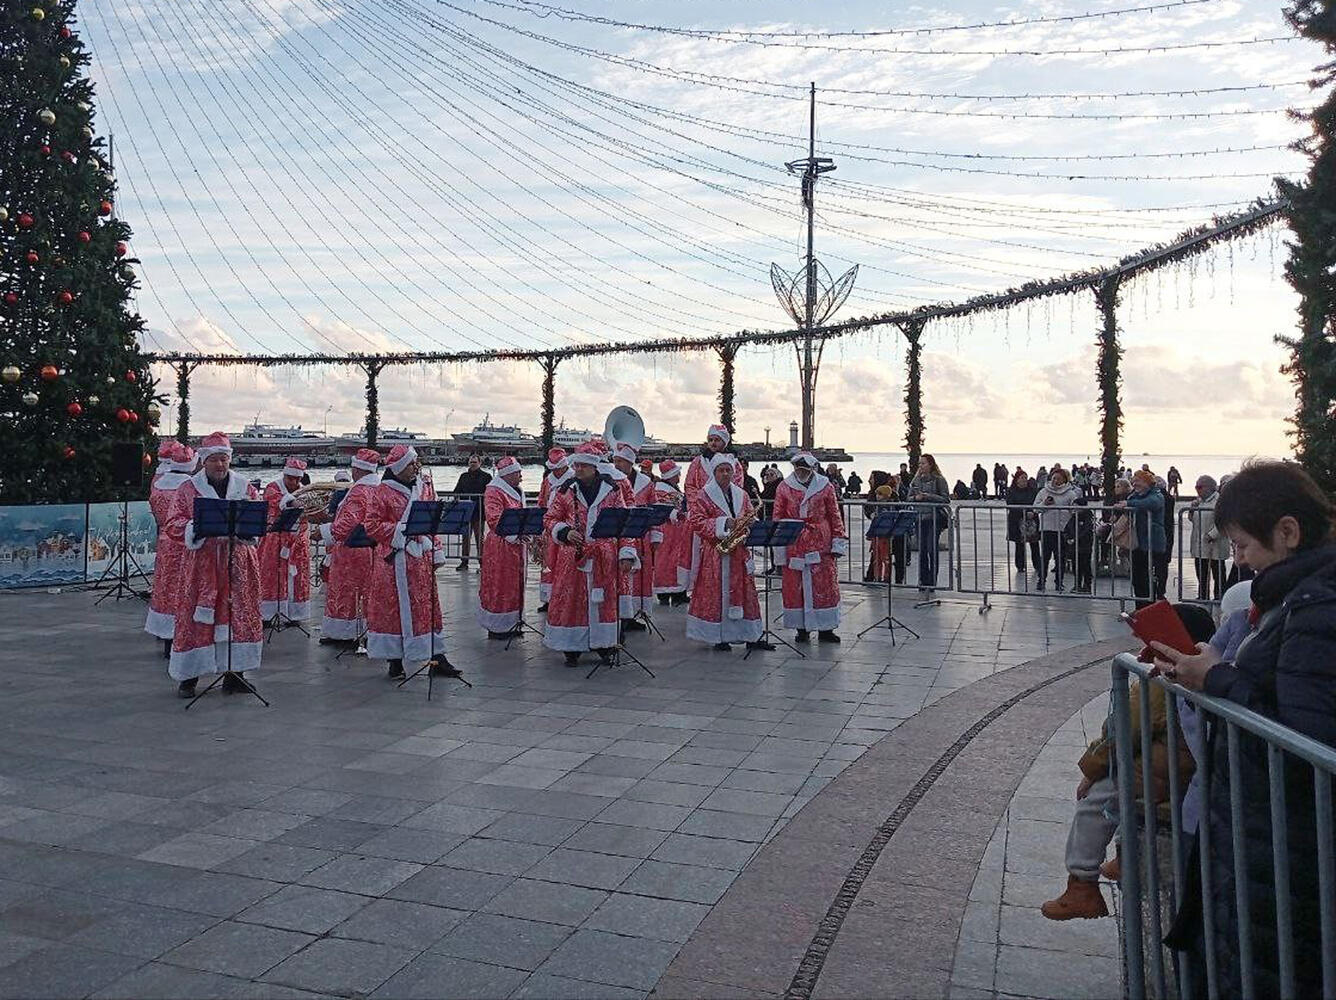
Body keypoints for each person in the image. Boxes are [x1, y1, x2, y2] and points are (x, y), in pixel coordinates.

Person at [1149, 462, 1336, 999]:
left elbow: (1304, 743)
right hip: (1262, 840)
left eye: (1243, 545)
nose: (1240, 561)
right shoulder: (1294, 599)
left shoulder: (1316, 610)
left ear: (1288, 532)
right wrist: (1212, 669)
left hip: (1286, 851)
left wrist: (1218, 678)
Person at [1040, 602, 1213, 920]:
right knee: (1126, 792)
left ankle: (1082, 883)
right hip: (1180, 771)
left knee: (1096, 800)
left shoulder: (1160, 683)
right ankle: (1123, 857)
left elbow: (1122, 731)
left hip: (1164, 777)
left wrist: (1093, 769)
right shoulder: (1205, 672)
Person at [165, 432, 264, 698]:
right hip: (203, 565)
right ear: (204, 461)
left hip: (238, 564)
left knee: (239, 615)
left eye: (224, 459)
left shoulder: (245, 487)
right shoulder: (188, 489)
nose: (220, 465)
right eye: (214, 460)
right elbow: (172, 524)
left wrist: (247, 531)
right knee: (195, 618)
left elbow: (258, 519)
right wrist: (195, 528)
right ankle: (189, 676)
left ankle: (236, 674)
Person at [363, 444, 452, 680]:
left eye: (415, 463)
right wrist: (401, 531)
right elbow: (371, 525)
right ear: (399, 468)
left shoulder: (423, 488)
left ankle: (437, 656)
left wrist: (436, 550)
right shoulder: (381, 492)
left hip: (420, 560)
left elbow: (432, 523)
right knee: (393, 609)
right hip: (394, 561)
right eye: (411, 464)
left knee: (427, 608)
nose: (416, 467)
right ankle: (394, 660)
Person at [543, 445, 637, 667]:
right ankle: (571, 647)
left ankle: (604, 644)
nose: (578, 469)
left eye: (583, 466)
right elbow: (550, 518)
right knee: (572, 601)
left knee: (603, 602)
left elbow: (624, 523)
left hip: (604, 557)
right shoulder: (565, 490)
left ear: (594, 467)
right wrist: (564, 532)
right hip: (573, 558)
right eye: (576, 465)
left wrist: (626, 552)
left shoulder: (613, 490)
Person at [686, 457, 767, 651]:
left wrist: (751, 523)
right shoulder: (703, 495)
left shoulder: (742, 494)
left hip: (739, 552)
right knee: (717, 594)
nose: (725, 474)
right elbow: (696, 521)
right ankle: (719, 636)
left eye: (728, 470)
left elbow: (750, 514)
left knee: (746, 594)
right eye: (721, 470)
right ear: (714, 473)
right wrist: (723, 523)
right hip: (716, 553)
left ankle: (750, 634)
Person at [773, 452, 848, 642]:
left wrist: (838, 540)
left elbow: (834, 514)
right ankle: (801, 628)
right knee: (796, 585)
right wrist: (779, 548)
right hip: (794, 542)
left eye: (804, 468)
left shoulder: (825, 486)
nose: (801, 471)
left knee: (824, 584)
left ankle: (826, 628)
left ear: (812, 468)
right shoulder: (784, 487)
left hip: (821, 542)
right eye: (798, 468)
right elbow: (777, 516)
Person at [317, 448, 381, 647]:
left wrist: (323, 531)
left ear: (358, 469)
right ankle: (363, 629)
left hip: (351, 551)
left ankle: (344, 632)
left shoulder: (359, 491)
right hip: (370, 547)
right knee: (365, 590)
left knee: (346, 591)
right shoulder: (377, 488)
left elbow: (348, 523)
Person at [144, 443, 196, 656]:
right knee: (185, 588)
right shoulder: (190, 487)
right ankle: (185, 633)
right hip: (185, 543)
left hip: (165, 541)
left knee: (166, 587)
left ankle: (165, 633)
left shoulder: (158, 484)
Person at [477, 456, 527, 640]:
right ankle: (497, 626)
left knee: (515, 584)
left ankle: (514, 621)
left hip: (516, 544)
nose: (521, 476)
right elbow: (493, 518)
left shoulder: (517, 490)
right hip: (501, 545)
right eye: (518, 473)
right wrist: (513, 534)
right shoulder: (493, 491)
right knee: (500, 584)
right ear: (508, 474)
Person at [258, 457, 312, 625]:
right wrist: (294, 502)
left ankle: (295, 614)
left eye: (297, 479)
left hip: (297, 542)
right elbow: (276, 500)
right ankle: (269, 613)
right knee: (272, 576)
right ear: (284, 475)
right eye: (290, 478)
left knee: (297, 578)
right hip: (274, 541)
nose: (294, 482)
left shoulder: (303, 490)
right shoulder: (272, 487)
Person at [681, 424, 733, 591]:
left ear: (724, 442)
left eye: (717, 440)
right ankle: (698, 587)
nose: (713, 443)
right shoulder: (697, 462)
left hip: (722, 515)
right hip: (701, 515)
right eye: (710, 439)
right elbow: (689, 485)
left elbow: (736, 487)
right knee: (698, 555)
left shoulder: (733, 463)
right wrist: (697, 505)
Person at [612, 442, 655, 631]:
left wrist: (656, 536)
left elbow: (654, 507)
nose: (617, 465)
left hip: (641, 536)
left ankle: (634, 613)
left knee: (639, 577)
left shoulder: (646, 483)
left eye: (621, 461)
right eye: (615, 461)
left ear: (630, 462)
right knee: (621, 576)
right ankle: (620, 614)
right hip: (619, 536)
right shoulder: (610, 481)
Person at [1120, 470, 1166, 608]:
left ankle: (1150, 606)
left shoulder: (1156, 495)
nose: (1134, 484)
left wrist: (1129, 504)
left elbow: (1152, 503)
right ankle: (1139, 607)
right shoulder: (1134, 496)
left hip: (1152, 543)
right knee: (1137, 578)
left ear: (1147, 482)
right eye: (1133, 481)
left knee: (1148, 577)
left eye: (1138, 481)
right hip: (1137, 542)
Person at [906, 454, 950, 593]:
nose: (920, 466)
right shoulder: (916, 480)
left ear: (930, 464)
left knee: (932, 550)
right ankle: (922, 581)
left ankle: (932, 582)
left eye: (923, 463)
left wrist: (927, 496)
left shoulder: (939, 480)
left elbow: (945, 499)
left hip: (933, 519)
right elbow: (908, 498)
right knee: (922, 551)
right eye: (919, 463)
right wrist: (916, 498)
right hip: (919, 518)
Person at [1033, 468, 1081, 592]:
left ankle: (1059, 582)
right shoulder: (1044, 491)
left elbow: (1075, 509)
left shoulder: (1070, 494)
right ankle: (1041, 580)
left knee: (1060, 558)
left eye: (1058, 479)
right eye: (1054, 478)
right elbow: (1035, 508)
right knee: (1045, 556)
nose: (1055, 481)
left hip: (1062, 530)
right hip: (1046, 528)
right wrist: (1044, 504)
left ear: (1064, 480)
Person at [536, 448, 571, 612]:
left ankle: (565, 597)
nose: (555, 471)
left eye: (558, 468)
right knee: (549, 564)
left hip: (567, 530)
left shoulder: (573, 479)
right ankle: (548, 599)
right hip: (550, 529)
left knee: (565, 565)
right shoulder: (547, 481)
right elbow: (542, 502)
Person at [652, 459, 690, 605]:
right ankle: (673, 592)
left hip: (675, 532)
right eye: (677, 474)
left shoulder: (665, 488)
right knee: (670, 561)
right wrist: (680, 515)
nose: (679, 476)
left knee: (670, 561)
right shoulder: (664, 490)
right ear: (672, 475)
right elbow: (663, 510)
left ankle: (672, 591)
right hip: (669, 532)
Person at [1187, 475, 1229, 601]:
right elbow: (1193, 519)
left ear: (1209, 488)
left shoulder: (1220, 501)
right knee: (1201, 572)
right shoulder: (1199, 502)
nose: (1197, 490)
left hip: (1215, 545)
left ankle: (1219, 596)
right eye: (1196, 487)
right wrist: (1192, 510)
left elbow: (1224, 521)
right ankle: (1203, 595)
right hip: (1199, 544)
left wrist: (1212, 535)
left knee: (1218, 573)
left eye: (1200, 487)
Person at [452, 454, 491, 570]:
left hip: (479, 512)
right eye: (471, 462)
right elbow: (457, 491)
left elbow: (490, 493)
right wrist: (456, 498)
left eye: (474, 462)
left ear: (480, 463)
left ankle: (482, 562)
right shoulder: (463, 476)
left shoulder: (486, 477)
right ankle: (464, 562)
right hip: (466, 512)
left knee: (480, 538)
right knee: (465, 538)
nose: (472, 464)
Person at [1005, 467, 1040, 579]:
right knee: (1019, 544)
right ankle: (1020, 565)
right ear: (1017, 480)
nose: (1024, 480)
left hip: (1031, 520)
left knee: (1034, 544)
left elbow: (1036, 503)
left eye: (1026, 477)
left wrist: (1032, 512)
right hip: (1017, 520)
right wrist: (1024, 512)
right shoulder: (1011, 491)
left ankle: (1037, 564)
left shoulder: (1032, 491)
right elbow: (1011, 505)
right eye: (1022, 478)